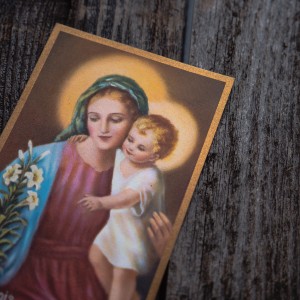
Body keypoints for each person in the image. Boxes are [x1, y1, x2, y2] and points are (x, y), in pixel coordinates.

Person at [0, 75, 172, 299]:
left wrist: (162, 251)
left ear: (136, 124)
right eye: (94, 118)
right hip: (28, 276)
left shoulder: (138, 177)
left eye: (116, 119)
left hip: (92, 284)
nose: (103, 128)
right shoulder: (43, 159)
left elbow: (140, 248)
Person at [79, 114, 178, 300]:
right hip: (113, 227)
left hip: (134, 236)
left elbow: (127, 198)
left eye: (141, 147)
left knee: (122, 274)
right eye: (130, 139)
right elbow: (97, 155)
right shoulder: (118, 156)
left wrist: (100, 202)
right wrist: (84, 143)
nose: (131, 147)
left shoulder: (150, 176)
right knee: (95, 256)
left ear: (154, 156)